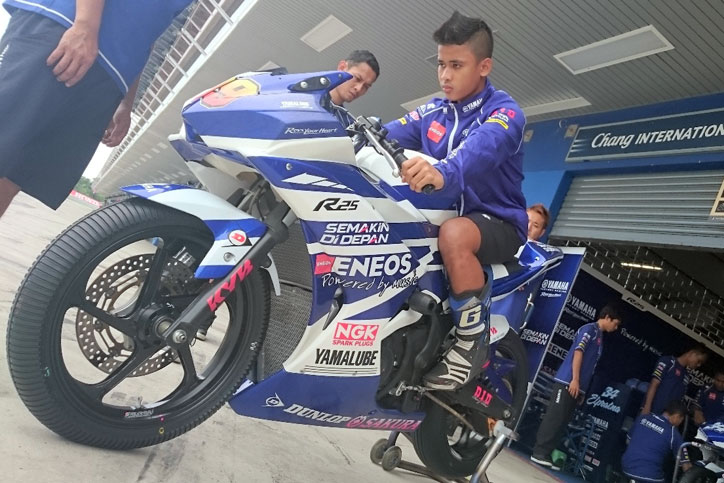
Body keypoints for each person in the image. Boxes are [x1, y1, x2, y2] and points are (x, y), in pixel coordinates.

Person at [384, 11, 528, 390]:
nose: (445, 75)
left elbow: (479, 151)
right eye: (441, 64)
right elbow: (385, 134)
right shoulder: (434, 111)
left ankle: (470, 343)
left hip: (496, 223)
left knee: (454, 234)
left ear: (484, 66)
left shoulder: (505, 113)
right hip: (442, 213)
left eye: (456, 65)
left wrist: (444, 172)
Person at [0, 0, 194, 219]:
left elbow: (153, 29)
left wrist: (126, 102)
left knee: (14, 177)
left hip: (111, 72)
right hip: (66, 27)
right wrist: (85, 26)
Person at [530, 304, 622, 470]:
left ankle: (547, 453)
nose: (616, 328)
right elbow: (578, 353)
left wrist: (582, 390)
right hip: (567, 381)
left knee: (563, 421)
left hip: (577, 386)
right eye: (615, 324)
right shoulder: (589, 330)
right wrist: (575, 380)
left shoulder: (600, 336)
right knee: (555, 417)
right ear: (607, 317)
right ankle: (538, 452)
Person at [621, 400, 692, 482]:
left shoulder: (643, 418)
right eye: (681, 420)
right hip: (649, 475)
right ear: (676, 416)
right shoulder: (673, 433)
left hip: (626, 467)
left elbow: (628, 441)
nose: (680, 423)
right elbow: (686, 466)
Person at [641, 345, 708, 416]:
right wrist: (647, 406)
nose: (699, 365)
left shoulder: (686, 376)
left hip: (665, 419)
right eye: (699, 361)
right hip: (650, 411)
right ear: (692, 353)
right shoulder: (668, 362)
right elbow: (654, 384)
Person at [329, 50, 380, 128]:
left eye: (366, 86)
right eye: (357, 78)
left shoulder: (348, 126)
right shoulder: (309, 97)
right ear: (342, 67)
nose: (359, 89)